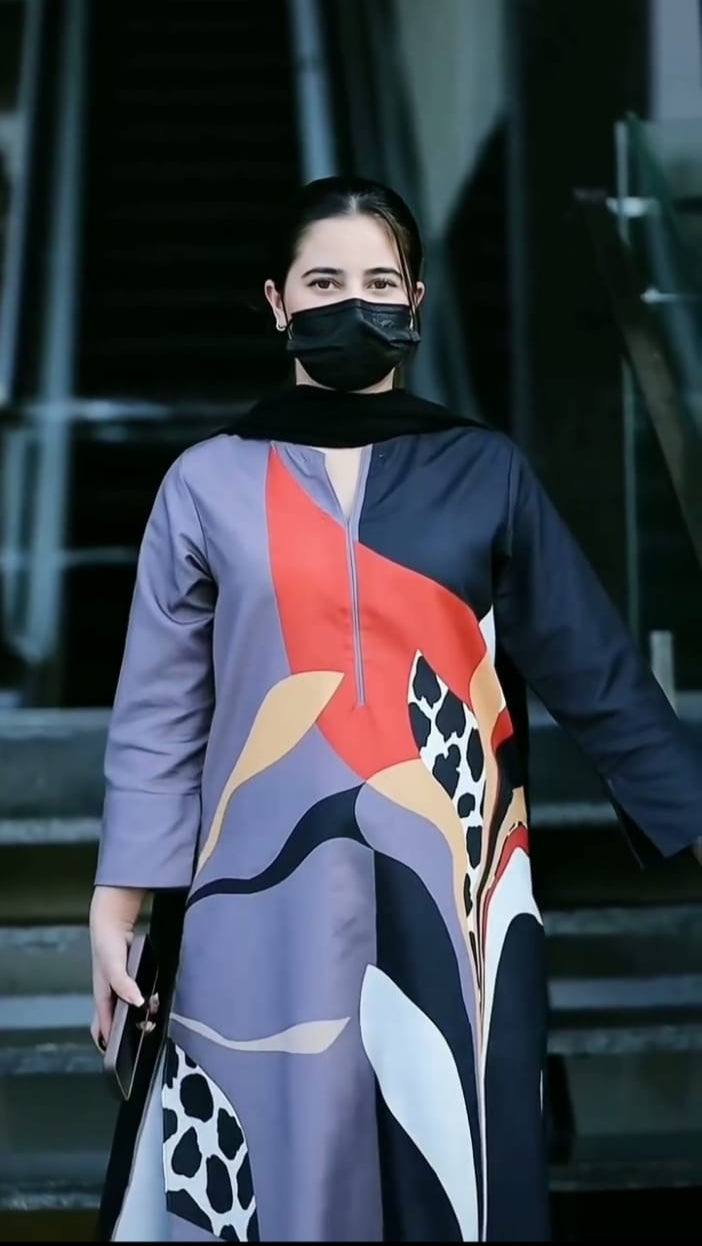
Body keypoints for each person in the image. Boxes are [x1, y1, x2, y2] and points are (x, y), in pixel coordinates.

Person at [89, 176, 701, 1243]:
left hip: (456, 894)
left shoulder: (484, 471)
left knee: (451, 1166)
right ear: (277, 301)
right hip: (255, 890)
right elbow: (158, 713)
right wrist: (117, 900)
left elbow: (596, 670)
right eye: (324, 281)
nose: (353, 303)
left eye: (379, 282)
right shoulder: (205, 483)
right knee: (274, 1170)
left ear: (415, 302)